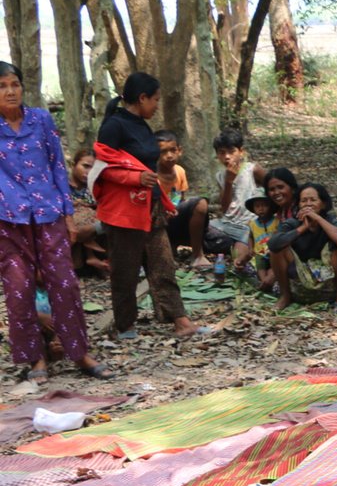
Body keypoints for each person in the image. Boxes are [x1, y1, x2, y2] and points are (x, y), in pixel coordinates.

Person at [0, 61, 106, 380]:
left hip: (49, 213)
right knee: (18, 289)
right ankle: (36, 359)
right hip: (8, 219)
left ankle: (79, 352)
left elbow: (58, 166)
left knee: (64, 283)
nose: (10, 91)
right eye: (2, 86)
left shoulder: (41, 120)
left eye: (15, 84)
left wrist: (69, 215)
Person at [93, 72, 204, 340]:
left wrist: (163, 201)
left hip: (151, 207)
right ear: (142, 98)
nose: (157, 105)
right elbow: (102, 169)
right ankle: (125, 325)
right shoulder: (114, 126)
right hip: (123, 211)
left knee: (163, 264)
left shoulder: (143, 126)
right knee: (125, 269)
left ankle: (179, 319)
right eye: (155, 99)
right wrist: (135, 179)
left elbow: (148, 169)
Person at [266, 182, 337, 311]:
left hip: (327, 277)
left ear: (323, 204)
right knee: (277, 249)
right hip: (299, 277)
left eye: (313, 200)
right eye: (304, 201)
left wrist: (318, 219)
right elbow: (273, 244)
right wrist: (303, 228)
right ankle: (285, 296)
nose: (308, 204)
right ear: (298, 205)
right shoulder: (292, 223)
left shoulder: (330, 220)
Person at [154, 131, 217, 269]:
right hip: (158, 223)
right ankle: (196, 254)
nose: (169, 155)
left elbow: (180, 200)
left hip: (175, 220)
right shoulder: (151, 175)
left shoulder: (180, 171)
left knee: (224, 241)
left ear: (180, 150)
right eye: (163, 151)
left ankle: (190, 249)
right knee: (200, 203)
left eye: (173, 150)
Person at [210, 128, 268, 268]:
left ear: (241, 151)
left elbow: (273, 185)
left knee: (240, 261)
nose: (227, 157)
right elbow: (225, 208)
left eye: (231, 152)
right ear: (217, 155)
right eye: (222, 153)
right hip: (227, 223)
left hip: (248, 226)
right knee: (202, 226)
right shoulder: (220, 176)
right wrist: (228, 182)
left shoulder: (252, 170)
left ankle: (243, 245)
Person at [247, 168, 299, 292]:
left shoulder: (299, 208)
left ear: (292, 187)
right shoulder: (281, 212)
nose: (276, 192)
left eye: (280, 187)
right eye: (272, 189)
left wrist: (274, 273)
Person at [66, 147, 109, 275]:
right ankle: (91, 256)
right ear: (73, 165)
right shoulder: (62, 185)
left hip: (90, 224)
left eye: (93, 168)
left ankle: (92, 257)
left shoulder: (94, 186)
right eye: (85, 166)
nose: (89, 172)